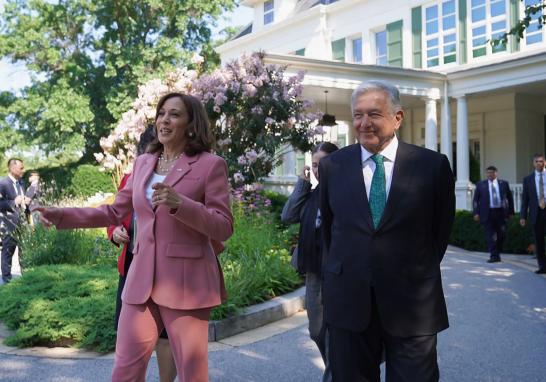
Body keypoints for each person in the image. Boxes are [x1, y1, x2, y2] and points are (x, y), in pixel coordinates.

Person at [36, 92, 233, 382]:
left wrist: (182, 204)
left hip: (186, 283)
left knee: (192, 375)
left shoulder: (209, 164)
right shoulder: (144, 162)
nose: (165, 120)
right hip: (140, 279)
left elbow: (223, 225)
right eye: (162, 113)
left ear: (192, 124)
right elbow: (115, 211)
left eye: (175, 114)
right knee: (125, 370)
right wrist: (62, 216)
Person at [319, 80, 455, 382]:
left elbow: (440, 231)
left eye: (374, 114)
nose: (364, 123)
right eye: (357, 115)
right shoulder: (333, 166)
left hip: (412, 302)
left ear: (398, 117)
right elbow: (330, 230)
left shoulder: (431, 166)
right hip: (349, 301)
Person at [107, 126, 176, 382]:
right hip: (133, 266)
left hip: (168, 270)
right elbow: (113, 216)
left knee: (166, 337)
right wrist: (114, 232)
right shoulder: (131, 177)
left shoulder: (179, 177)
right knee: (128, 337)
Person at [281, 141, 339, 382]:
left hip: (338, 273)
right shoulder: (311, 195)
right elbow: (288, 215)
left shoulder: (345, 194)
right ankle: (343, 370)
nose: (318, 169)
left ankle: (336, 374)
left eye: (323, 164)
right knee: (316, 331)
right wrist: (302, 183)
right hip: (314, 272)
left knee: (334, 335)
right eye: (315, 165)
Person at [472, 166, 514, 263]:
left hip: (501, 213)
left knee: (502, 235)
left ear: (496, 173)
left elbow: (510, 199)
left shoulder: (503, 184)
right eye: (488, 172)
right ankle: (493, 256)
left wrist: (511, 212)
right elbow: (475, 200)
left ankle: (497, 253)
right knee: (490, 236)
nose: (489, 174)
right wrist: (476, 212)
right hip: (487, 213)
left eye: (491, 172)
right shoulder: (480, 185)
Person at [0, 158, 31, 283]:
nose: (23, 170)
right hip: (9, 225)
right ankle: (7, 282)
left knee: (25, 252)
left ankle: (26, 279)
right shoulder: (3, 183)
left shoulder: (21, 183)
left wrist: (26, 202)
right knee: (8, 252)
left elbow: (22, 202)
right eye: (21, 168)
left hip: (23, 224)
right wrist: (13, 202)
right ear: (13, 168)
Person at [520, 153, 546, 274]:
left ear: (545, 162)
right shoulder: (528, 179)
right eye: (537, 161)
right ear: (533, 163)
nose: (539, 163)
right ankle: (542, 267)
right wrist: (523, 216)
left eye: (541, 161)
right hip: (536, 214)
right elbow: (525, 200)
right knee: (539, 241)